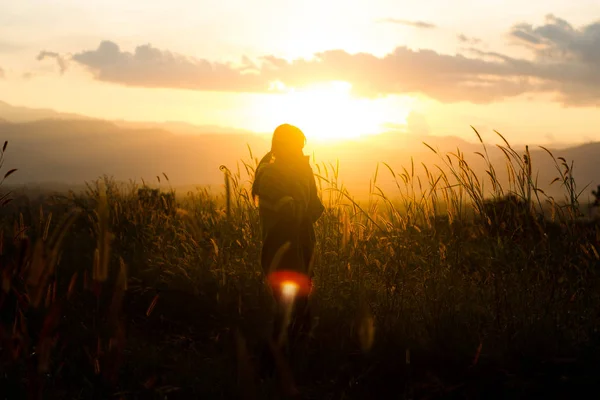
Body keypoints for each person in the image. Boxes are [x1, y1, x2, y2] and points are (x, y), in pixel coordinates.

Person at [252, 124, 325, 349]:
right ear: (282, 147)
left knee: (300, 306)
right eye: (296, 146)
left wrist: (303, 174)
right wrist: (302, 176)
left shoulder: (299, 170)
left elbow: (314, 208)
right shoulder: (271, 175)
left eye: (301, 147)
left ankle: (294, 355)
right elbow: (292, 212)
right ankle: (277, 359)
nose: (300, 152)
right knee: (286, 307)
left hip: (302, 247)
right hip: (279, 249)